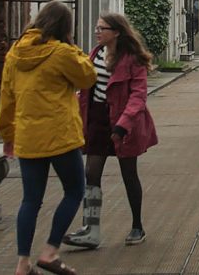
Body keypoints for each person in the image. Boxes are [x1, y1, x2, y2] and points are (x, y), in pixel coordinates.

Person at [0, 1, 96, 275]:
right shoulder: (62, 52)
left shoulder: (15, 53)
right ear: (65, 27)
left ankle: (22, 263)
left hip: (28, 136)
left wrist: (7, 134)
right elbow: (87, 77)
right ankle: (50, 252)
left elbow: (6, 98)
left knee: (30, 200)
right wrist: (71, 45)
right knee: (74, 190)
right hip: (61, 134)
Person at [64, 13, 159, 250]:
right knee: (91, 173)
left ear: (116, 32)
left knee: (129, 173)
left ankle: (137, 226)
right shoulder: (95, 54)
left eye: (102, 28)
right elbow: (86, 87)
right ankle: (91, 229)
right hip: (97, 119)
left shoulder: (132, 59)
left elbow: (138, 95)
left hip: (122, 121)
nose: (97, 32)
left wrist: (123, 124)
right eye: (97, 28)